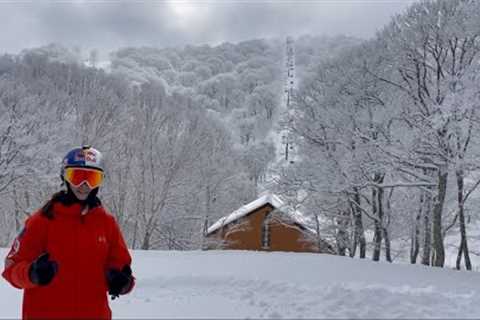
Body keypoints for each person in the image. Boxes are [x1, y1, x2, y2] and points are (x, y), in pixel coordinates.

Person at [2, 145, 135, 320]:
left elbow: (121, 265)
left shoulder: (106, 223)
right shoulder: (42, 221)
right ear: (65, 177)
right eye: (77, 176)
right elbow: (12, 268)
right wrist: (31, 273)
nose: (84, 185)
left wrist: (122, 282)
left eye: (92, 178)